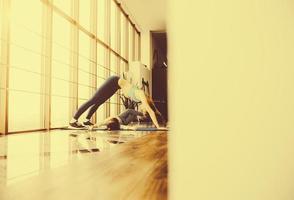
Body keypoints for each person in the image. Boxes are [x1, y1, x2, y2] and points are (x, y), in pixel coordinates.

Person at [69, 75, 165, 129]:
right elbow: (152, 112)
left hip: (116, 86)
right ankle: (73, 120)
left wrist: (161, 118)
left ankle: (86, 120)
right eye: (144, 111)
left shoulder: (147, 100)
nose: (142, 110)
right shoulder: (142, 96)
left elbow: (155, 111)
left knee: (99, 101)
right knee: (93, 100)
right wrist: (158, 126)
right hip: (114, 81)